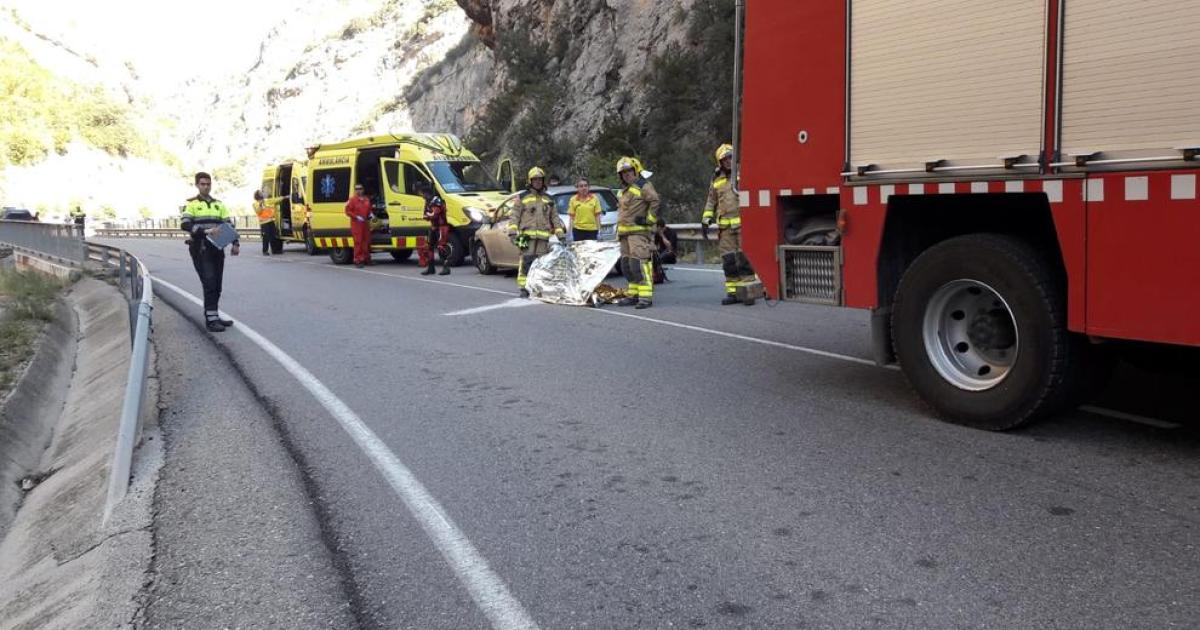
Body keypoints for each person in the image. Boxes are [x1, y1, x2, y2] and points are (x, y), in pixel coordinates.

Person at [180, 172, 239, 332]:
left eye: (208, 184)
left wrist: (235, 243)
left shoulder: (219, 204)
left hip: (217, 248)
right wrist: (205, 231)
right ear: (197, 185)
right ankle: (211, 320)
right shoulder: (191, 205)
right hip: (200, 248)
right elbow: (185, 224)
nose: (206, 186)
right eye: (202, 184)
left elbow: (228, 225)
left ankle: (214, 315)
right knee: (210, 282)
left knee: (217, 284)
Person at [702, 143, 758, 305]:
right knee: (729, 261)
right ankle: (733, 293)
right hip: (725, 228)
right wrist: (705, 219)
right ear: (719, 162)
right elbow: (711, 200)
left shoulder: (743, 173)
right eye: (725, 159)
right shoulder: (716, 179)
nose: (728, 161)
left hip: (742, 226)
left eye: (730, 158)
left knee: (744, 259)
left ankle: (748, 293)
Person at [509, 167, 565, 297]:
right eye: (535, 180)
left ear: (543, 181)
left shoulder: (548, 199)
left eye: (540, 179)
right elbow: (514, 216)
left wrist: (560, 235)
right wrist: (512, 233)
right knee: (525, 261)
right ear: (530, 181)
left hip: (542, 237)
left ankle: (538, 287)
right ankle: (524, 288)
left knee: (541, 263)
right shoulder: (522, 197)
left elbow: (555, 219)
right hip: (524, 236)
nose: (538, 182)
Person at [615, 156, 659, 309]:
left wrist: (649, 220)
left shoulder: (643, 185)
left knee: (639, 264)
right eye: (623, 172)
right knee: (627, 265)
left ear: (636, 170)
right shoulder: (623, 191)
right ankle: (633, 294)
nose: (626, 174)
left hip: (638, 234)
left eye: (629, 171)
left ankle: (645, 298)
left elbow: (655, 201)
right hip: (625, 235)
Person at [417, 181, 451, 276]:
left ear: (426, 193)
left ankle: (446, 267)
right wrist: (429, 215)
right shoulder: (428, 202)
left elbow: (435, 215)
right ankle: (431, 267)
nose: (421, 196)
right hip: (433, 227)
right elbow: (425, 215)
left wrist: (429, 215)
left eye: (422, 193)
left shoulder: (437, 201)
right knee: (429, 247)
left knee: (441, 247)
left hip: (442, 227)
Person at [345, 183, 373, 268]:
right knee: (358, 242)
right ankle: (358, 260)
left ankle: (366, 259)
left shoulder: (366, 200)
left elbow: (369, 210)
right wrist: (356, 217)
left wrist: (371, 214)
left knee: (366, 241)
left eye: (360, 188)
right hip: (356, 224)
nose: (358, 190)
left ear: (363, 189)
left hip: (365, 223)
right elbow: (347, 211)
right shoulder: (352, 200)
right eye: (357, 189)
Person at [567, 177, 602, 242]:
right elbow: (571, 218)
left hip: (592, 231)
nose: (584, 188)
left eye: (586, 185)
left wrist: (599, 231)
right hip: (578, 231)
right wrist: (570, 232)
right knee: (579, 251)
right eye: (581, 186)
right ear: (577, 188)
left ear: (589, 187)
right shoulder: (573, 199)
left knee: (591, 251)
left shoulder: (594, 199)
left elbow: (597, 216)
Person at [253, 190, 279, 256]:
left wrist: (284, 197)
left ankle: (274, 250)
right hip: (264, 223)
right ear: (258, 195)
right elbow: (258, 212)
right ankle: (265, 251)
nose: (262, 193)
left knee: (273, 236)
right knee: (266, 237)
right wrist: (260, 205)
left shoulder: (266, 201)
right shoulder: (255, 204)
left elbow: (275, 200)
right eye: (261, 193)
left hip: (270, 221)